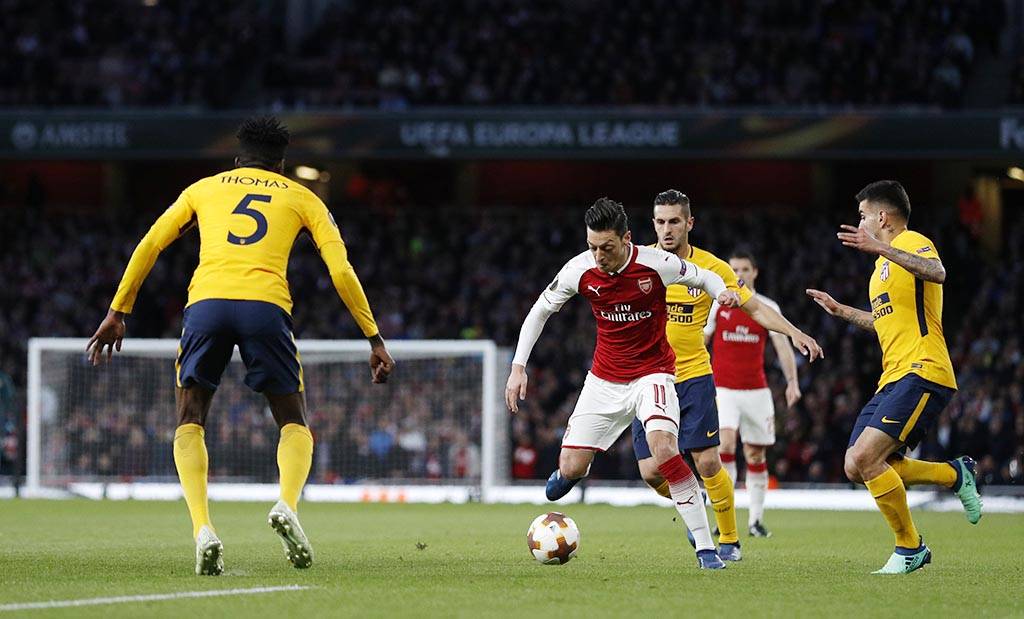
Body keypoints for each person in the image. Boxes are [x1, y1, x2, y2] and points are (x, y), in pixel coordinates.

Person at [86, 116, 394, 576]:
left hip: (206, 304)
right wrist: (373, 337)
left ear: (236, 159)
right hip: (265, 307)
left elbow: (150, 244)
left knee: (190, 418)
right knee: (293, 420)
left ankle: (203, 529)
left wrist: (118, 310)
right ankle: (287, 504)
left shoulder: (203, 189)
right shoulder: (302, 197)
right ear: (282, 165)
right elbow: (340, 269)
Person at [505, 197, 741, 569]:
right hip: (604, 380)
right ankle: (570, 472)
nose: (599, 256)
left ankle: (705, 548)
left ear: (627, 239)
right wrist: (519, 367)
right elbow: (540, 311)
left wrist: (720, 292)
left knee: (664, 449)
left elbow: (703, 276)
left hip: (654, 374)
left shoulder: (656, 264)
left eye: (607, 247)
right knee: (571, 467)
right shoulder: (579, 269)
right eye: (593, 247)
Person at [631, 190, 821, 560]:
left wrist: (794, 332)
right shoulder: (639, 262)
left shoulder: (712, 268)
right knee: (652, 471)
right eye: (660, 222)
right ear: (653, 224)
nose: (667, 229)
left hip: (694, 376)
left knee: (707, 461)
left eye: (674, 221)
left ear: (689, 223)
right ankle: (693, 501)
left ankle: (730, 540)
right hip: (648, 379)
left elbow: (756, 308)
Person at [806, 180, 982, 574]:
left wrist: (883, 248)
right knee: (855, 466)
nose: (860, 223)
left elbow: (938, 272)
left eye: (863, 215)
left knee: (866, 457)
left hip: (923, 369)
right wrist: (841, 311)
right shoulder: (880, 270)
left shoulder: (912, 242)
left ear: (883, 217)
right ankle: (955, 473)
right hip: (893, 377)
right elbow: (883, 322)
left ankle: (910, 547)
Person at [704, 249, 808, 538]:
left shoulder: (765, 306)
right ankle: (724, 517)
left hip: (756, 392)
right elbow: (702, 340)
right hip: (723, 389)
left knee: (755, 453)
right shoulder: (717, 305)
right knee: (725, 445)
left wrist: (792, 382)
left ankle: (755, 521)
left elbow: (782, 347)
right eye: (734, 269)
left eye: (744, 269)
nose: (738, 274)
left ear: (754, 272)